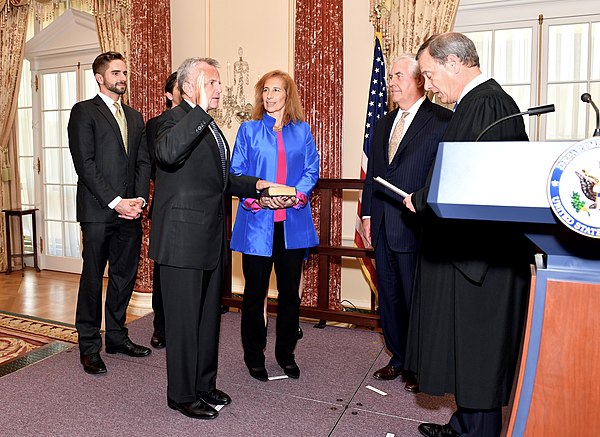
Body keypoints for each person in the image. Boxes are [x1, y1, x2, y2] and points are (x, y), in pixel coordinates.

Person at [403, 33, 531, 437]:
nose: (429, 84)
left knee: (478, 351)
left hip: (481, 258)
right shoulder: (476, 104)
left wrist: (421, 200)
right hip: (474, 251)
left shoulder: (486, 103)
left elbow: (470, 179)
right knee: (469, 350)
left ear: (454, 62)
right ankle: (465, 424)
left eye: (430, 73)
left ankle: (478, 431)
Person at [149, 57, 270, 420]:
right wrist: (199, 110)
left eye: (219, 83)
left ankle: (203, 384)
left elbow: (222, 181)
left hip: (211, 237)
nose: (220, 89)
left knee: (207, 319)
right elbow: (168, 155)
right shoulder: (168, 122)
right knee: (184, 321)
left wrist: (259, 188)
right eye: (212, 82)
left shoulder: (210, 126)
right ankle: (181, 394)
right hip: (182, 239)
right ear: (189, 87)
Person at [360, 54, 452, 393]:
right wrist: (367, 215)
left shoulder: (443, 120)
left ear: (418, 80)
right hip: (383, 224)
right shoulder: (383, 123)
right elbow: (374, 175)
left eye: (398, 75)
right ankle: (398, 357)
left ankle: (419, 364)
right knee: (390, 298)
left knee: (417, 300)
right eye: (390, 76)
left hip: (417, 228)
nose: (391, 82)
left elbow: (442, 175)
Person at [230, 70, 320, 382]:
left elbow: (311, 170)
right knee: (254, 294)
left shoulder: (302, 131)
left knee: (289, 296)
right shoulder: (249, 130)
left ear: (287, 95)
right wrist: (259, 199)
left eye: (276, 90)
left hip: (292, 224)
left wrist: (295, 196)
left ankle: (286, 354)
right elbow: (237, 172)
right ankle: (254, 356)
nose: (270, 96)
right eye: (266, 90)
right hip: (257, 223)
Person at [68, 51, 152, 375]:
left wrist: (139, 201)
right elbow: (85, 165)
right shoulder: (83, 112)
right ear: (100, 78)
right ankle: (89, 345)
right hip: (98, 211)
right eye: (116, 73)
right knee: (93, 278)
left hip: (131, 211)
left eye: (125, 73)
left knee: (123, 277)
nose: (122, 78)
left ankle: (117, 336)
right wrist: (116, 201)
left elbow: (143, 162)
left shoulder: (135, 117)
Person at [145, 71, 182, 349]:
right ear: (169, 95)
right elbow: (155, 166)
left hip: (196, 210)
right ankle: (161, 327)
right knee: (163, 270)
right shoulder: (156, 124)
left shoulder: (204, 121)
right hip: (167, 206)